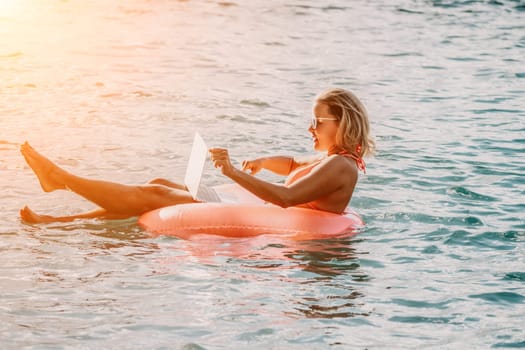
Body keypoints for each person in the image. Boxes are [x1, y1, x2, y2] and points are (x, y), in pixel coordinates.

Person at [19, 88, 374, 224]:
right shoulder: (334, 159)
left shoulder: (340, 167)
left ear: (340, 122)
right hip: (263, 211)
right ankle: (59, 220)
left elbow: (285, 197)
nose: (309, 128)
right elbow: (295, 167)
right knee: (159, 183)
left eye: (316, 121)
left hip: (270, 218)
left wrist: (232, 171)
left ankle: (60, 179)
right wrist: (265, 161)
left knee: (154, 195)